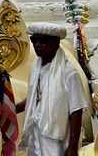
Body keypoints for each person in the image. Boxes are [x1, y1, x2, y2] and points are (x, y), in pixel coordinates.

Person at [16, 22, 89, 156]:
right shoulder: (35, 67)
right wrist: (11, 109)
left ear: (56, 43)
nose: (37, 44)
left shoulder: (69, 72)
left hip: (56, 138)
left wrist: (72, 148)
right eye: (34, 40)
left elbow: (76, 111)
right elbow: (35, 97)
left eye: (43, 41)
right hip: (36, 133)